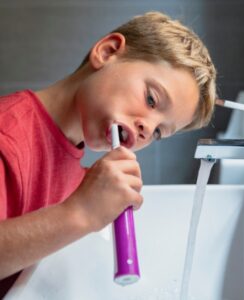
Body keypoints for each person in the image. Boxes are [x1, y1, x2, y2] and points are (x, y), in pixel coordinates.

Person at [0, 11, 216, 287]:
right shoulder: (7, 137)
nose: (147, 130)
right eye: (151, 99)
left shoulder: (71, 162)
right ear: (107, 51)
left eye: (160, 131)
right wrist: (79, 213)